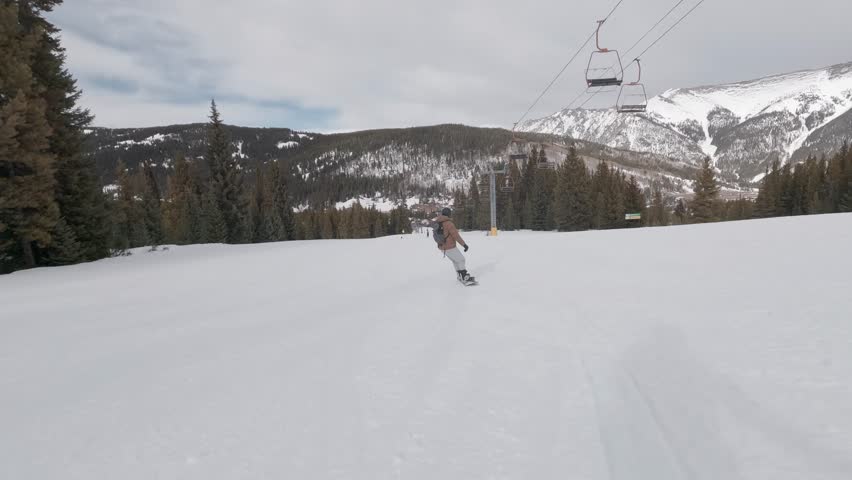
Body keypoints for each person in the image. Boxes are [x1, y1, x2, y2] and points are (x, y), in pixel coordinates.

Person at [433, 207, 473, 283]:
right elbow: (456, 236)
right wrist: (464, 245)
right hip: (450, 246)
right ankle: (464, 276)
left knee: (455, 260)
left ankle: (459, 276)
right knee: (461, 259)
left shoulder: (437, 222)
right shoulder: (449, 223)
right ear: (449, 214)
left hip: (442, 247)